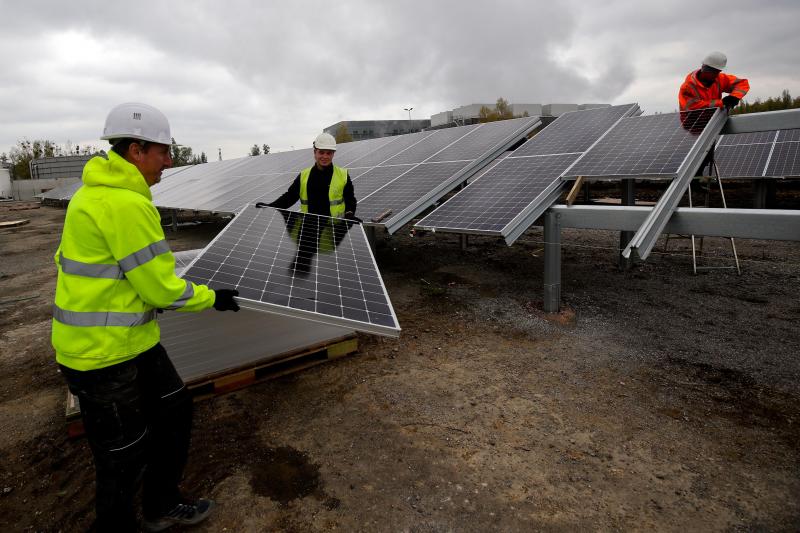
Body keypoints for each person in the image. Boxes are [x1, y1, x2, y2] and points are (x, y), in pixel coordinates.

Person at [52, 102, 240, 532]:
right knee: (123, 455)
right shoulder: (123, 204)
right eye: (162, 152)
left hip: (132, 342)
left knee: (174, 411)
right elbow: (160, 288)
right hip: (100, 357)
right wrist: (214, 297)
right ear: (136, 150)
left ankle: (161, 505)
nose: (169, 162)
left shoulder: (94, 195)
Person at [256, 132, 359, 221]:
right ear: (315, 152)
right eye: (321, 152)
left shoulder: (343, 175)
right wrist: (271, 206)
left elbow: (350, 199)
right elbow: (289, 197)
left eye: (329, 153)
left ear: (333, 154)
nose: (325, 157)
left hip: (334, 229)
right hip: (309, 229)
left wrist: (349, 214)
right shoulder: (304, 175)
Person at [679, 51, 749, 112]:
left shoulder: (719, 78)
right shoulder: (687, 87)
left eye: (717, 72)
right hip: (692, 122)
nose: (715, 75)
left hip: (716, 118)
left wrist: (733, 97)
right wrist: (722, 103)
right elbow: (691, 106)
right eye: (712, 71)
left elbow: (742, 84)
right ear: (704, 68)